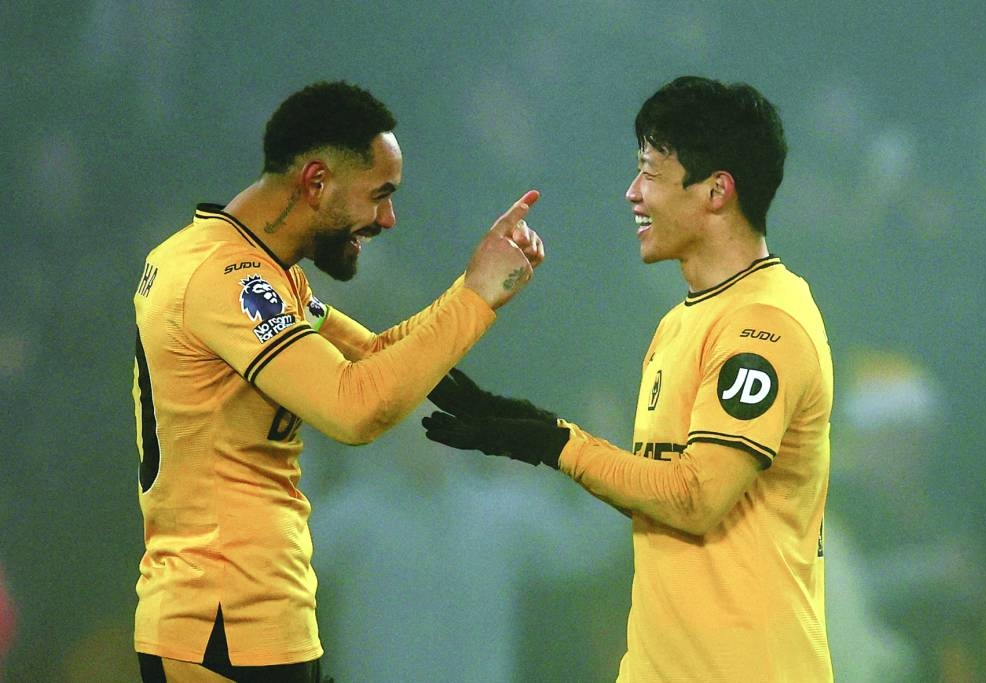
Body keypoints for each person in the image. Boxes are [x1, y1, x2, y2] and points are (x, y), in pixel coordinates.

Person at [423, 76, 834, 682]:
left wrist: (557, 444)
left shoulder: (763, 324)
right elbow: (661, 494)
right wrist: (542, 431)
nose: (631, 193)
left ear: (717, 191)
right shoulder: (680, 321)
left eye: (650, 174)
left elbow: (696, 499)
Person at [131, 80, 544, 683]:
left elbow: (375, 354)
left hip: (255, 619)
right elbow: (355, 408)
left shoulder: (260, 273)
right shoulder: (224, 277)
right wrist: (476, 297)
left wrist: (477, 285)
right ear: (316, 182)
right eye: (379, 195)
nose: (388, 219)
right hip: (221, 624)